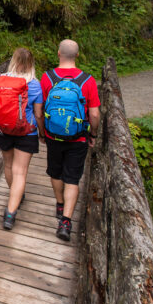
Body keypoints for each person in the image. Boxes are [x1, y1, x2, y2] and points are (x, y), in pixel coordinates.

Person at [40, 39, 100, 241]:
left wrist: (42, 132)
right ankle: (65, 220)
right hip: (78, 137)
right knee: (72, 178)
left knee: (55, 171)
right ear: (77, 55)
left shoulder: (47, 78)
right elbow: (94, 114)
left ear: (58, 53)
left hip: (52, 135)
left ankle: (59, 203)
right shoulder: (88, 80)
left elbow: (40, 111)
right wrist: (92, 134)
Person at [0, 47, 45, 230]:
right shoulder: (34, 84)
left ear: (13, 60)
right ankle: (10, 213)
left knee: (9, 166)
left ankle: (15, 195)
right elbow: (38, 114)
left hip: (3, 130)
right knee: (20, 171)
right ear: (31, 64)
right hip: (26, 132)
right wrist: (42, 133)